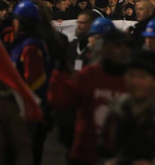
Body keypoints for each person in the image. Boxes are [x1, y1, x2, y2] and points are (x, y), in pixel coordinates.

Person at [49, 28, 132, 165]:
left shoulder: (133, 79)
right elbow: (59, 101)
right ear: (105, 48)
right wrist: (59, 69)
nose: (123, 51)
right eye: (117, 46)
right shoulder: (90, 75)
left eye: (127, 46)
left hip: (121, 157)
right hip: (85, 155)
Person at [103, 51, 155, 165]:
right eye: (131, 75)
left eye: (142, 76)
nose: (135, 81)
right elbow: (106, 147)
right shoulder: (119, 107)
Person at [9, 0, 50, 165]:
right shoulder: (24, 43)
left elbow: (34, 85)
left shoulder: (30, 47)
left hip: (28, 113)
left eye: (16, 19)